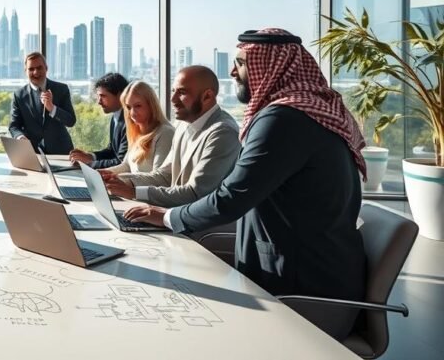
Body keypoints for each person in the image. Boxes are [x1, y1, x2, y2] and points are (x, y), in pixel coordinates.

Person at [125, 29, 367, 339]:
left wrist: (166, 217)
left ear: (271, 67)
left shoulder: (285, 119)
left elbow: (232, 196)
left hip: (303, 289)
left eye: (240, 62)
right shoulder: (300, 112)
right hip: (297, 273)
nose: (231, 71)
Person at [102, 67, 240, 205]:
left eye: (182, 92)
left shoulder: (222, 132)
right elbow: (165, 176)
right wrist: (121, 180)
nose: (172, 99)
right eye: (173, 91)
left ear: (207, 96)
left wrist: (133, 192)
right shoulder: (182, 125)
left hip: (208, 225)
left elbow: (195, 192)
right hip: (179, 214)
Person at [100, 80, 175, 175]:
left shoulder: (165, 133)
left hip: (142, 189)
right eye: (128, 107)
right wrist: (103, 174)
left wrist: (119, 180)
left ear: (151, 105)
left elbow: (160, 179)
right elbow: (127, 166)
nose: (132, 113)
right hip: (130, 188)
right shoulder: (137, 132)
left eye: (138, 106)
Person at [8, 52, 76, 154]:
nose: (36, 72)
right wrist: (20, 137)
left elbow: (71, 121)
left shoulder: (61, 89)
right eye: (31, 69)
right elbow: (14, 126)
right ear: (25, 71)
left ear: (46, 68)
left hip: (61, 152)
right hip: (33, 153)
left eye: (39, 68)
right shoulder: (19, 95)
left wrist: (52, 108)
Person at [69, 73, 129, 169]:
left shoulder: (130, 121)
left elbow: (120, 162)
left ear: (120, 95)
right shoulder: (115, 117)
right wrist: (90, 156)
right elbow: (112, 150)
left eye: (103, 96)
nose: (99, 101)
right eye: (98, 96)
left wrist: (88, 163)